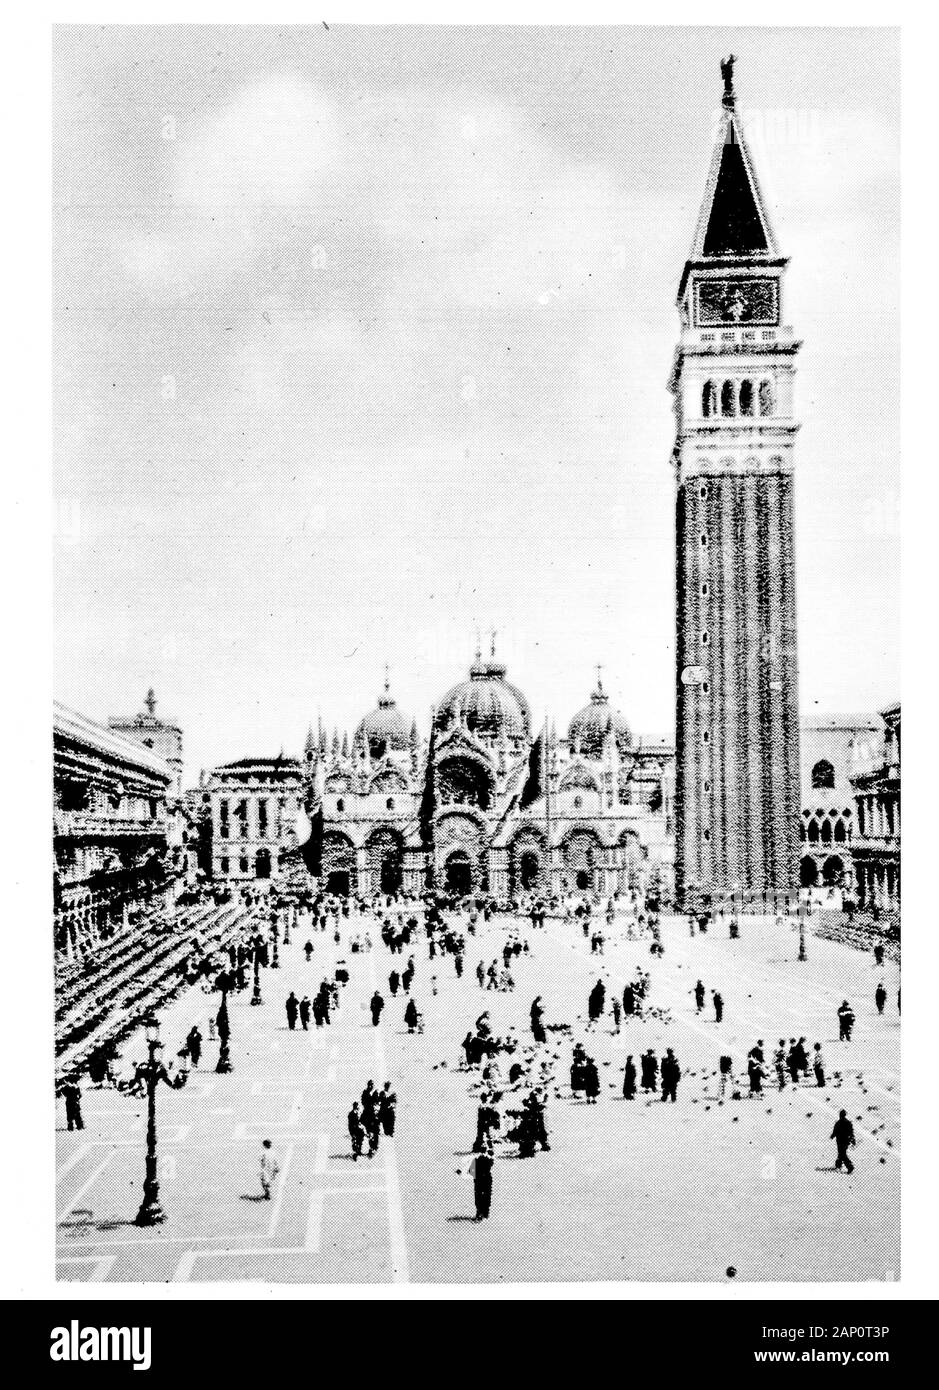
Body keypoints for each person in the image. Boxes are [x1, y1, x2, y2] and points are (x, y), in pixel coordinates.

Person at [471, 1142, 494, 1220]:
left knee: (478, 1197)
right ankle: (486, 1212)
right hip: (487, 1180)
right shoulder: (489, 1159)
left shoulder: (476, 1160)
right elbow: (491, 1163)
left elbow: (472, 1171)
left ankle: (479, 1212)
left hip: (478, 1180)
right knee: (487, 1196)